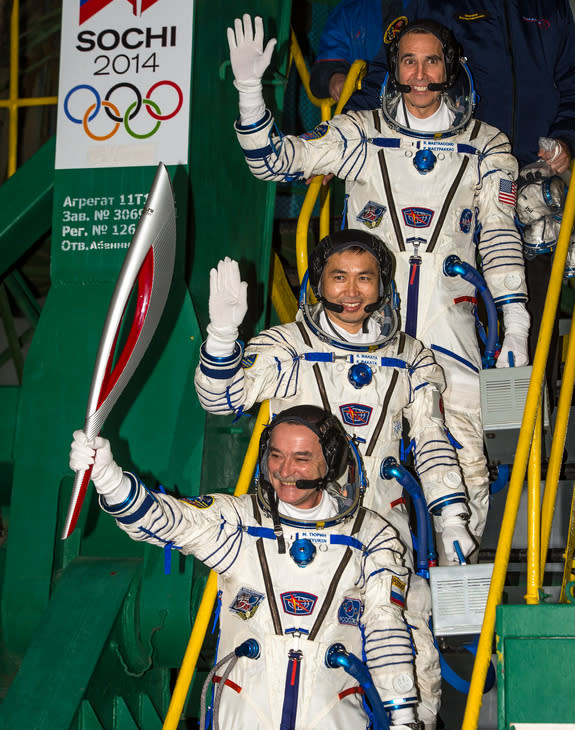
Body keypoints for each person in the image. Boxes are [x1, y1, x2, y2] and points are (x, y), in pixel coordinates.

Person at [227, 14, 529, 550]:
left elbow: (500, 239)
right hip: (360, 324)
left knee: (468, 462)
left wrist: (517, 326)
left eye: (431, 60)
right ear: (394, 68)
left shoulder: (488, 145)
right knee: (352, 463)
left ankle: (458, 607)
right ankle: (362, 594)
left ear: (451, 66)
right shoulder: (362, 132)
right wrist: (251, 92)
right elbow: (276, 162)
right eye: (408, 61)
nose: (418, 74)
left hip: (448, 324)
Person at [195, 230, 476, 729]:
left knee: (413, 658)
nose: (351, 292)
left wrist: (451, 517)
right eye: (338, 278)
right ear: (318, 283)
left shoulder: (413, 356)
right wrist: (220, 338)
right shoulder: (286, 345)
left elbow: (432, 441)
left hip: (384, 533)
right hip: (294, 538)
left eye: (364, 278)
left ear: (382, 284)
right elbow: (221, 401)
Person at [69, 405, 423, 730]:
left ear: (331, 463)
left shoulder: (370, 535)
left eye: (301, 458)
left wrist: (403, 716)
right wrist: (109, 478)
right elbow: (169, 520)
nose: (284, 471)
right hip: (244, 713)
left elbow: (385, 626)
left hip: (333, 715)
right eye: (276, 455)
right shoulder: (241, 523)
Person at [309, 0, 408, 102]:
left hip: (413, 104)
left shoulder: (421, 7)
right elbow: (324, 70)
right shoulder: (347, 12)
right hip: (365, 106)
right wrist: (335, 78)